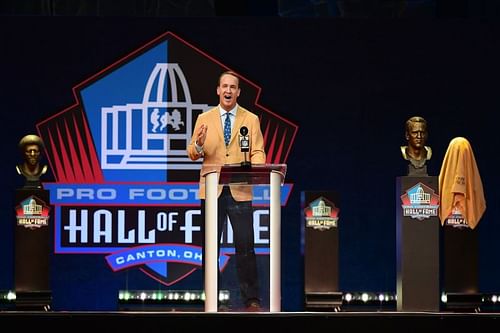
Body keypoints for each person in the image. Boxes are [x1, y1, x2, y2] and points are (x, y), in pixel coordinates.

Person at [187, 71, 266, 311]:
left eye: (233, 87)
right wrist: (199, 143)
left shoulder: (250, 119)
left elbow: (258, 151)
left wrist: (258, 166)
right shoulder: (204, 118)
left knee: (245, 247)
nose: (228, 90)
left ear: (238, 92)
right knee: (211, 248)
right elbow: (192, 153)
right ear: (218, 90)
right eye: (224, 86)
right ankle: (213, 299)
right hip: (212, 191)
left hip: (240, 190)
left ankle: (251, 300)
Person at [438, 137, 486, 229]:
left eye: (464, 152)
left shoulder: (472, 179)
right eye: (456, 153)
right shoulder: (446, 177)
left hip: (466, 232)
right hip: (450, 230)